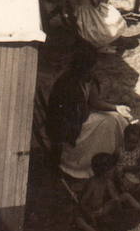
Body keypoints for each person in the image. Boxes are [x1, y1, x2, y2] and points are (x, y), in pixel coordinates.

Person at [47, 48, 132, 181]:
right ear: (82, 67)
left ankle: (123, 156)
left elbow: (94, 102)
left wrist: (116, 108)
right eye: (91, 67)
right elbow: (76, 116)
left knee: (117, 118)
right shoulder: (68, 85)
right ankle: (97, 162)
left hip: (81, 117)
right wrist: (100, 116)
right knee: (108, 123)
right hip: (70, 129)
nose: (93, 70)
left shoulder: (87, 78)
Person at [75, 152, 140, 231]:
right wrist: (89, 213)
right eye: (112, 169)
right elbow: (83, 202)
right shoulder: (92, 184)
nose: (113, 171)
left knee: (125, 195)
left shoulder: (108, 181)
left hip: (103, 209)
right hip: (92, 212)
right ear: (104, 171)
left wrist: (117, 206)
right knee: (78, 220)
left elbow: (115, 198)